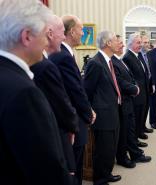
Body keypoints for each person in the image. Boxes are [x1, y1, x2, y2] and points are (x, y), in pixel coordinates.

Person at [0, 0, 74, 185]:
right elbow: (47, 171)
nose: (47, 41)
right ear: (27, 37)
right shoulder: (23, 93)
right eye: (44, 34)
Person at [30, 15, 81, 178]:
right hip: (55, 131)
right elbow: (61, 101)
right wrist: (73, 124)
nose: (63, 36)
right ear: (50, 33)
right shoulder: (45, 65)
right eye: (61, 32)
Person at [49, 15, 94, 185]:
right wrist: (88, 113)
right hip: (73, 120)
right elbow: (74, 91)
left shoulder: (66, 53)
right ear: (72, 31)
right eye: (81, 29)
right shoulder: (63, 55)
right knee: (75, 164)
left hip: (72, 117)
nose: (83, 33)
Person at [84, 31, 121, 185]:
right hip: (102, 115)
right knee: (102, 151)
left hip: (112, 112)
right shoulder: (95, 62)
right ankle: (99, 180)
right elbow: (87, 91)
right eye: (115, 40)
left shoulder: (108, 61)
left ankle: (107, 174)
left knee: (110, 149)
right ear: (107, 43)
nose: (118, 43)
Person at [112, 35, 151, 169]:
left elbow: (130, 76)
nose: (123, 45)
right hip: (125, 101)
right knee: (125, 132)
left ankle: (135, 154)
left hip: (130, 99)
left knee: (130, 130)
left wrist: (135, 85)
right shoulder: (116, 60)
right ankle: (124, 157)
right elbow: (120, 81)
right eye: (120, 43)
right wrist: (134, 88)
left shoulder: (120, 60)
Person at [122, 33, 149, 146]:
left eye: (141, 42)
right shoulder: (128, 57)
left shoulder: (136, 55)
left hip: (142, 92)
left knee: (140, 116)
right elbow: (130, 78)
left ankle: (138, 134)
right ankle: (135, 140)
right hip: (136, 94)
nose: (141, 45)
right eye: (138, 43)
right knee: (136, 118)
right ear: (131, 43)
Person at [138, 35, 153, 134]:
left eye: (148, 42)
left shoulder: (148, 54)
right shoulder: (137, 55)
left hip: (148, 85)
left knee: (147, 107)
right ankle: (140, 130)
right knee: (141, 110)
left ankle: (143, 126)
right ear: (140, 43)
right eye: (145, 42)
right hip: (141, 88)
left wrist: (152, 84)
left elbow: (150, 71)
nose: (147, 44)